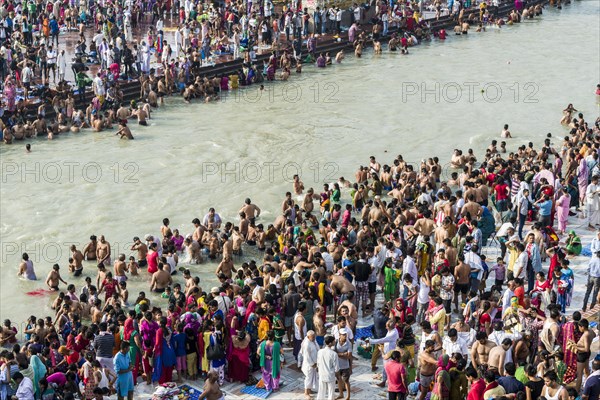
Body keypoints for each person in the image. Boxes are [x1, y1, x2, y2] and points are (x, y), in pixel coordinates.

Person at [316, 335, 339, 400]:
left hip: (322, 374)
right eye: (334, 341)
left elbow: (318, 364)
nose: (335, 342)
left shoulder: (320, 351)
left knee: (321, 392)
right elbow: (336, 368)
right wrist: (338, 377)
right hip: (330, 376)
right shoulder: (334, 354)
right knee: (331, 393)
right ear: (330, 343)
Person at [301, 331, 319, 399]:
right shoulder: (306, 344)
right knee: (308, 378)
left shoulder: (313, 340)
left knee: (312, 378)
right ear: (308, 337)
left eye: (314, 336)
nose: (314, 338)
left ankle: (309, 390)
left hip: (315, 363)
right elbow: (307, 356)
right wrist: (312, 364)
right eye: (313, 337)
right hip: (309, 365)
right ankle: (306, 392)